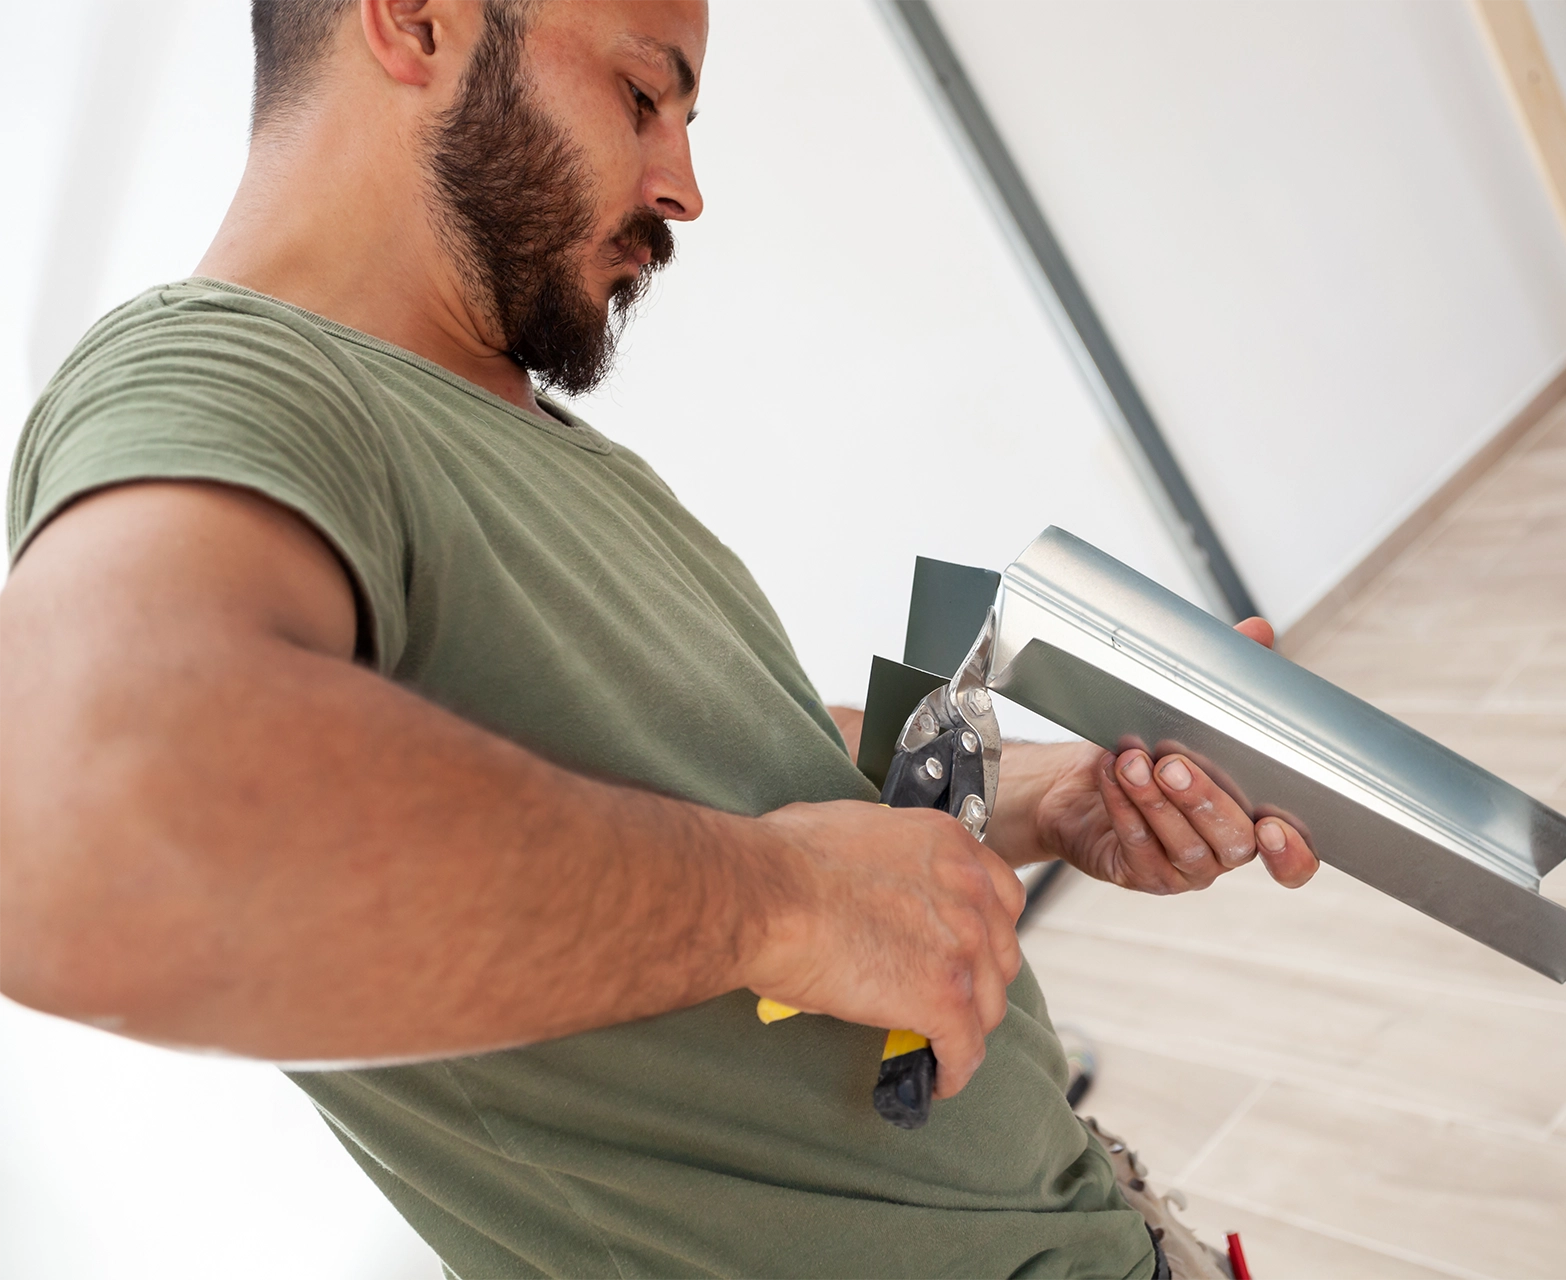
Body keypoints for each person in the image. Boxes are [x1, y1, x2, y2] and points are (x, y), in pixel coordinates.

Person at [0, 1, 1318, 1276]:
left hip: (1093, 1216)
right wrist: (780, 903)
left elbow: (753, 761)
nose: (684, 187)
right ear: (410, 21)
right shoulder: (220, 382)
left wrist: (1062, 794)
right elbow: (85, 830)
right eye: (643, 94)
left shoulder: (542, 444)